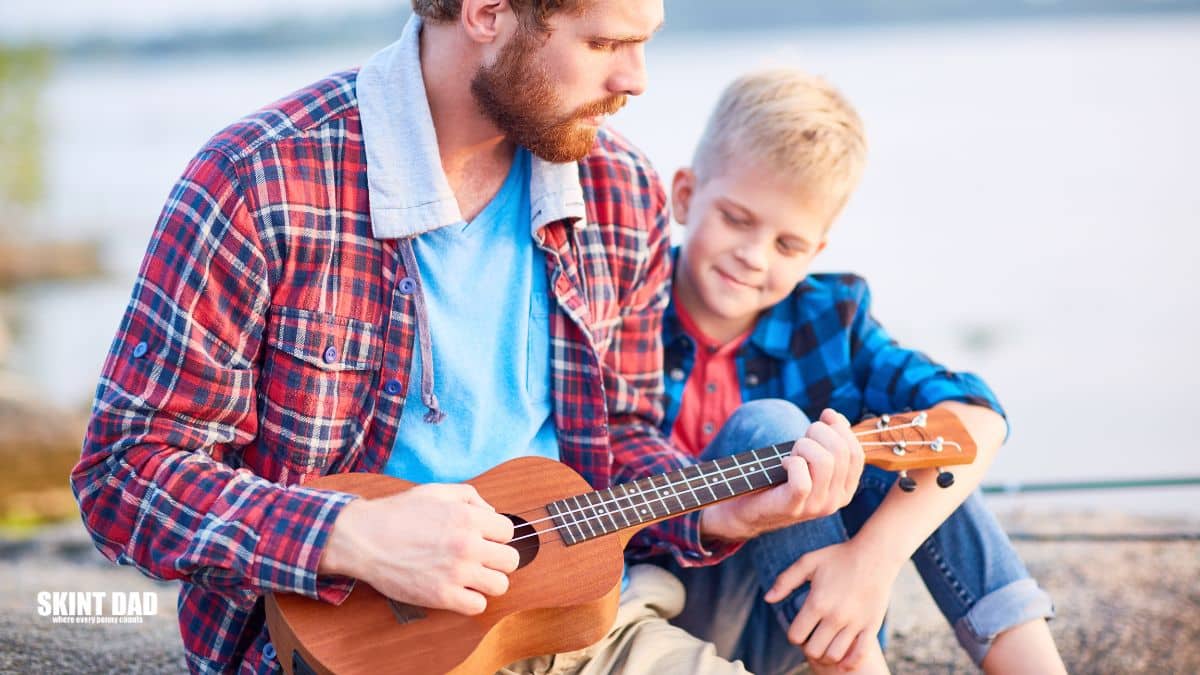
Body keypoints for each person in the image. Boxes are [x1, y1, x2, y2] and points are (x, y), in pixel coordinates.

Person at [71, 2, 864, 673]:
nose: (635, 79)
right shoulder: (259, 180)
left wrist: (713, 510)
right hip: (336, 651)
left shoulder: (619, 191)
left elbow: (619, 442)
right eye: (605, 43)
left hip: (576, 628)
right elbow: (126, 474)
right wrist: (348, 534)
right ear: (488, 12)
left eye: (644, 40)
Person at [643, 68, 1067, 673]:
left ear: (815, 252)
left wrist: (874, 559)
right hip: (674, 616)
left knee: (912, 447)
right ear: (685, 196)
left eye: (787, 245)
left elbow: (979, 420)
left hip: (806, 616)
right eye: (736, 218)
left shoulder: (828, 319)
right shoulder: (630, 304)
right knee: (775, 429)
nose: (753, 255)